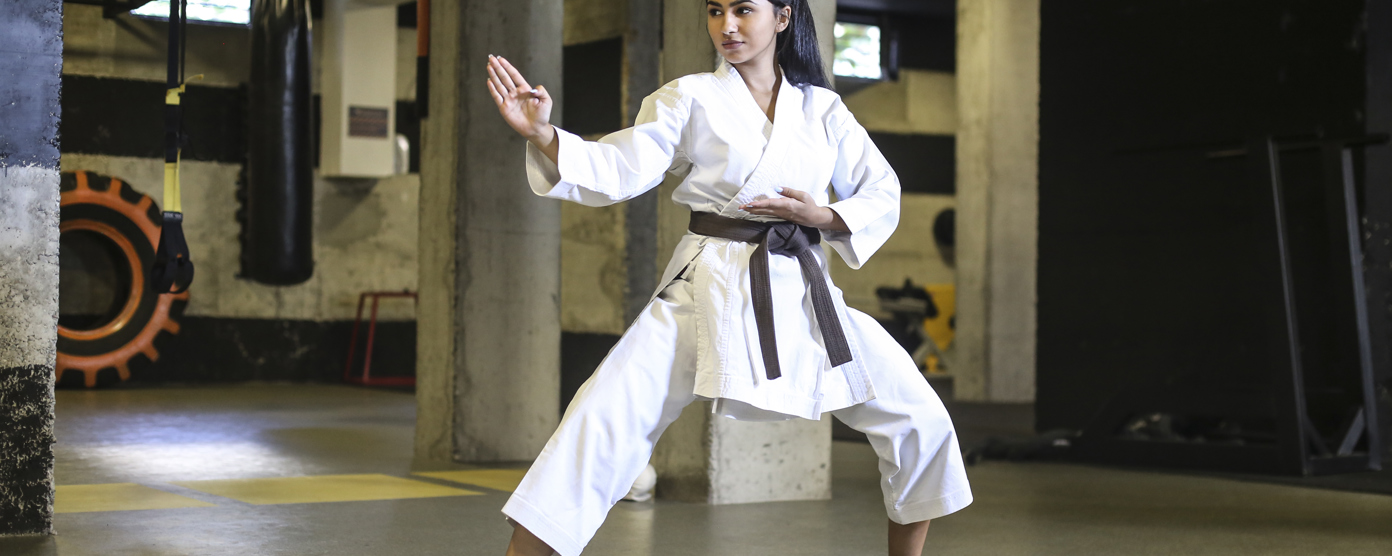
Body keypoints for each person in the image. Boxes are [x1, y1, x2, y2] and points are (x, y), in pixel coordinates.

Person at [484, 1, 971, 554]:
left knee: (919, 418)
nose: (727, 26)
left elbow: (882, 189)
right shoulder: (690, 97)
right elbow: (623, 166)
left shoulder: (824, 110)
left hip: (804, 291)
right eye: (715, 11)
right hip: (706, 286)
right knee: (601, 420)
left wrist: (823, 217)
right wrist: (547, 135)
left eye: (743, 9)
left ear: (783, 17)